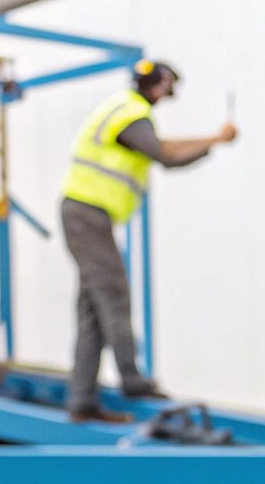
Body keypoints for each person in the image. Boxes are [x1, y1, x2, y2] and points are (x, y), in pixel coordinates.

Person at [61, 60, 236, 422]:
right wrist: (216, 140)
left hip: (86, 215)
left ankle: (82, 401)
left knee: (93, 308)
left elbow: (163, 146)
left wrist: (213, 140)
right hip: (87, 215)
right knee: (113, 292)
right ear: (160, 86)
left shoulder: (127, 111)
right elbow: (166, 155)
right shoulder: (132, 113)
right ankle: (132, 379)